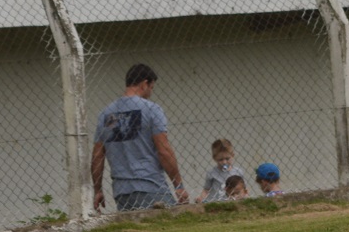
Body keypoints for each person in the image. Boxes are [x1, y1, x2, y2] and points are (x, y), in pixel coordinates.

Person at [91, 63, 189, 212]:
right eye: (151, 88)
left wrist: (97, 190)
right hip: (151, 186)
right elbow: (164, 150)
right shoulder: (151, 109)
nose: (150, 93)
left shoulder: (106, 114)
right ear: (145, 84)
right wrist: (179, 185)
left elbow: (97, 156)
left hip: (122, 192)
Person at [196, 138, 245, 204]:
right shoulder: (211, 173)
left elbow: (244, 188)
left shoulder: (238, 172)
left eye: (227, 158)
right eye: (220, 159)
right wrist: (200, 198)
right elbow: (206, 189)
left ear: (232, 155)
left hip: (233, 203)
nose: (224, 162)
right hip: (215, 203)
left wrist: (243, 196)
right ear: (214, 158)